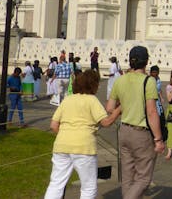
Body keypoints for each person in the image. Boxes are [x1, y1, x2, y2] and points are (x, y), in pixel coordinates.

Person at [44, 70, 121, 199]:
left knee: (56, 184)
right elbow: (106, 122)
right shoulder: (91, 100)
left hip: (62, 145)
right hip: (84, 147)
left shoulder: (67, 100)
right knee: (88, 187)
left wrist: (66, 136)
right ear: (93, 85)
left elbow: (53, 125)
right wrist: (119, 109)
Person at [106, 46, 166, 199]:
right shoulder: (149, 81)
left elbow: (109, 107)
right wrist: (158, 139)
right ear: (146, 62)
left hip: (124, 131)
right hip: (141, 134)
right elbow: (152, 112)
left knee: (128, 177)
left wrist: (125, 106)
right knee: (143, 178)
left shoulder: (120, 80)